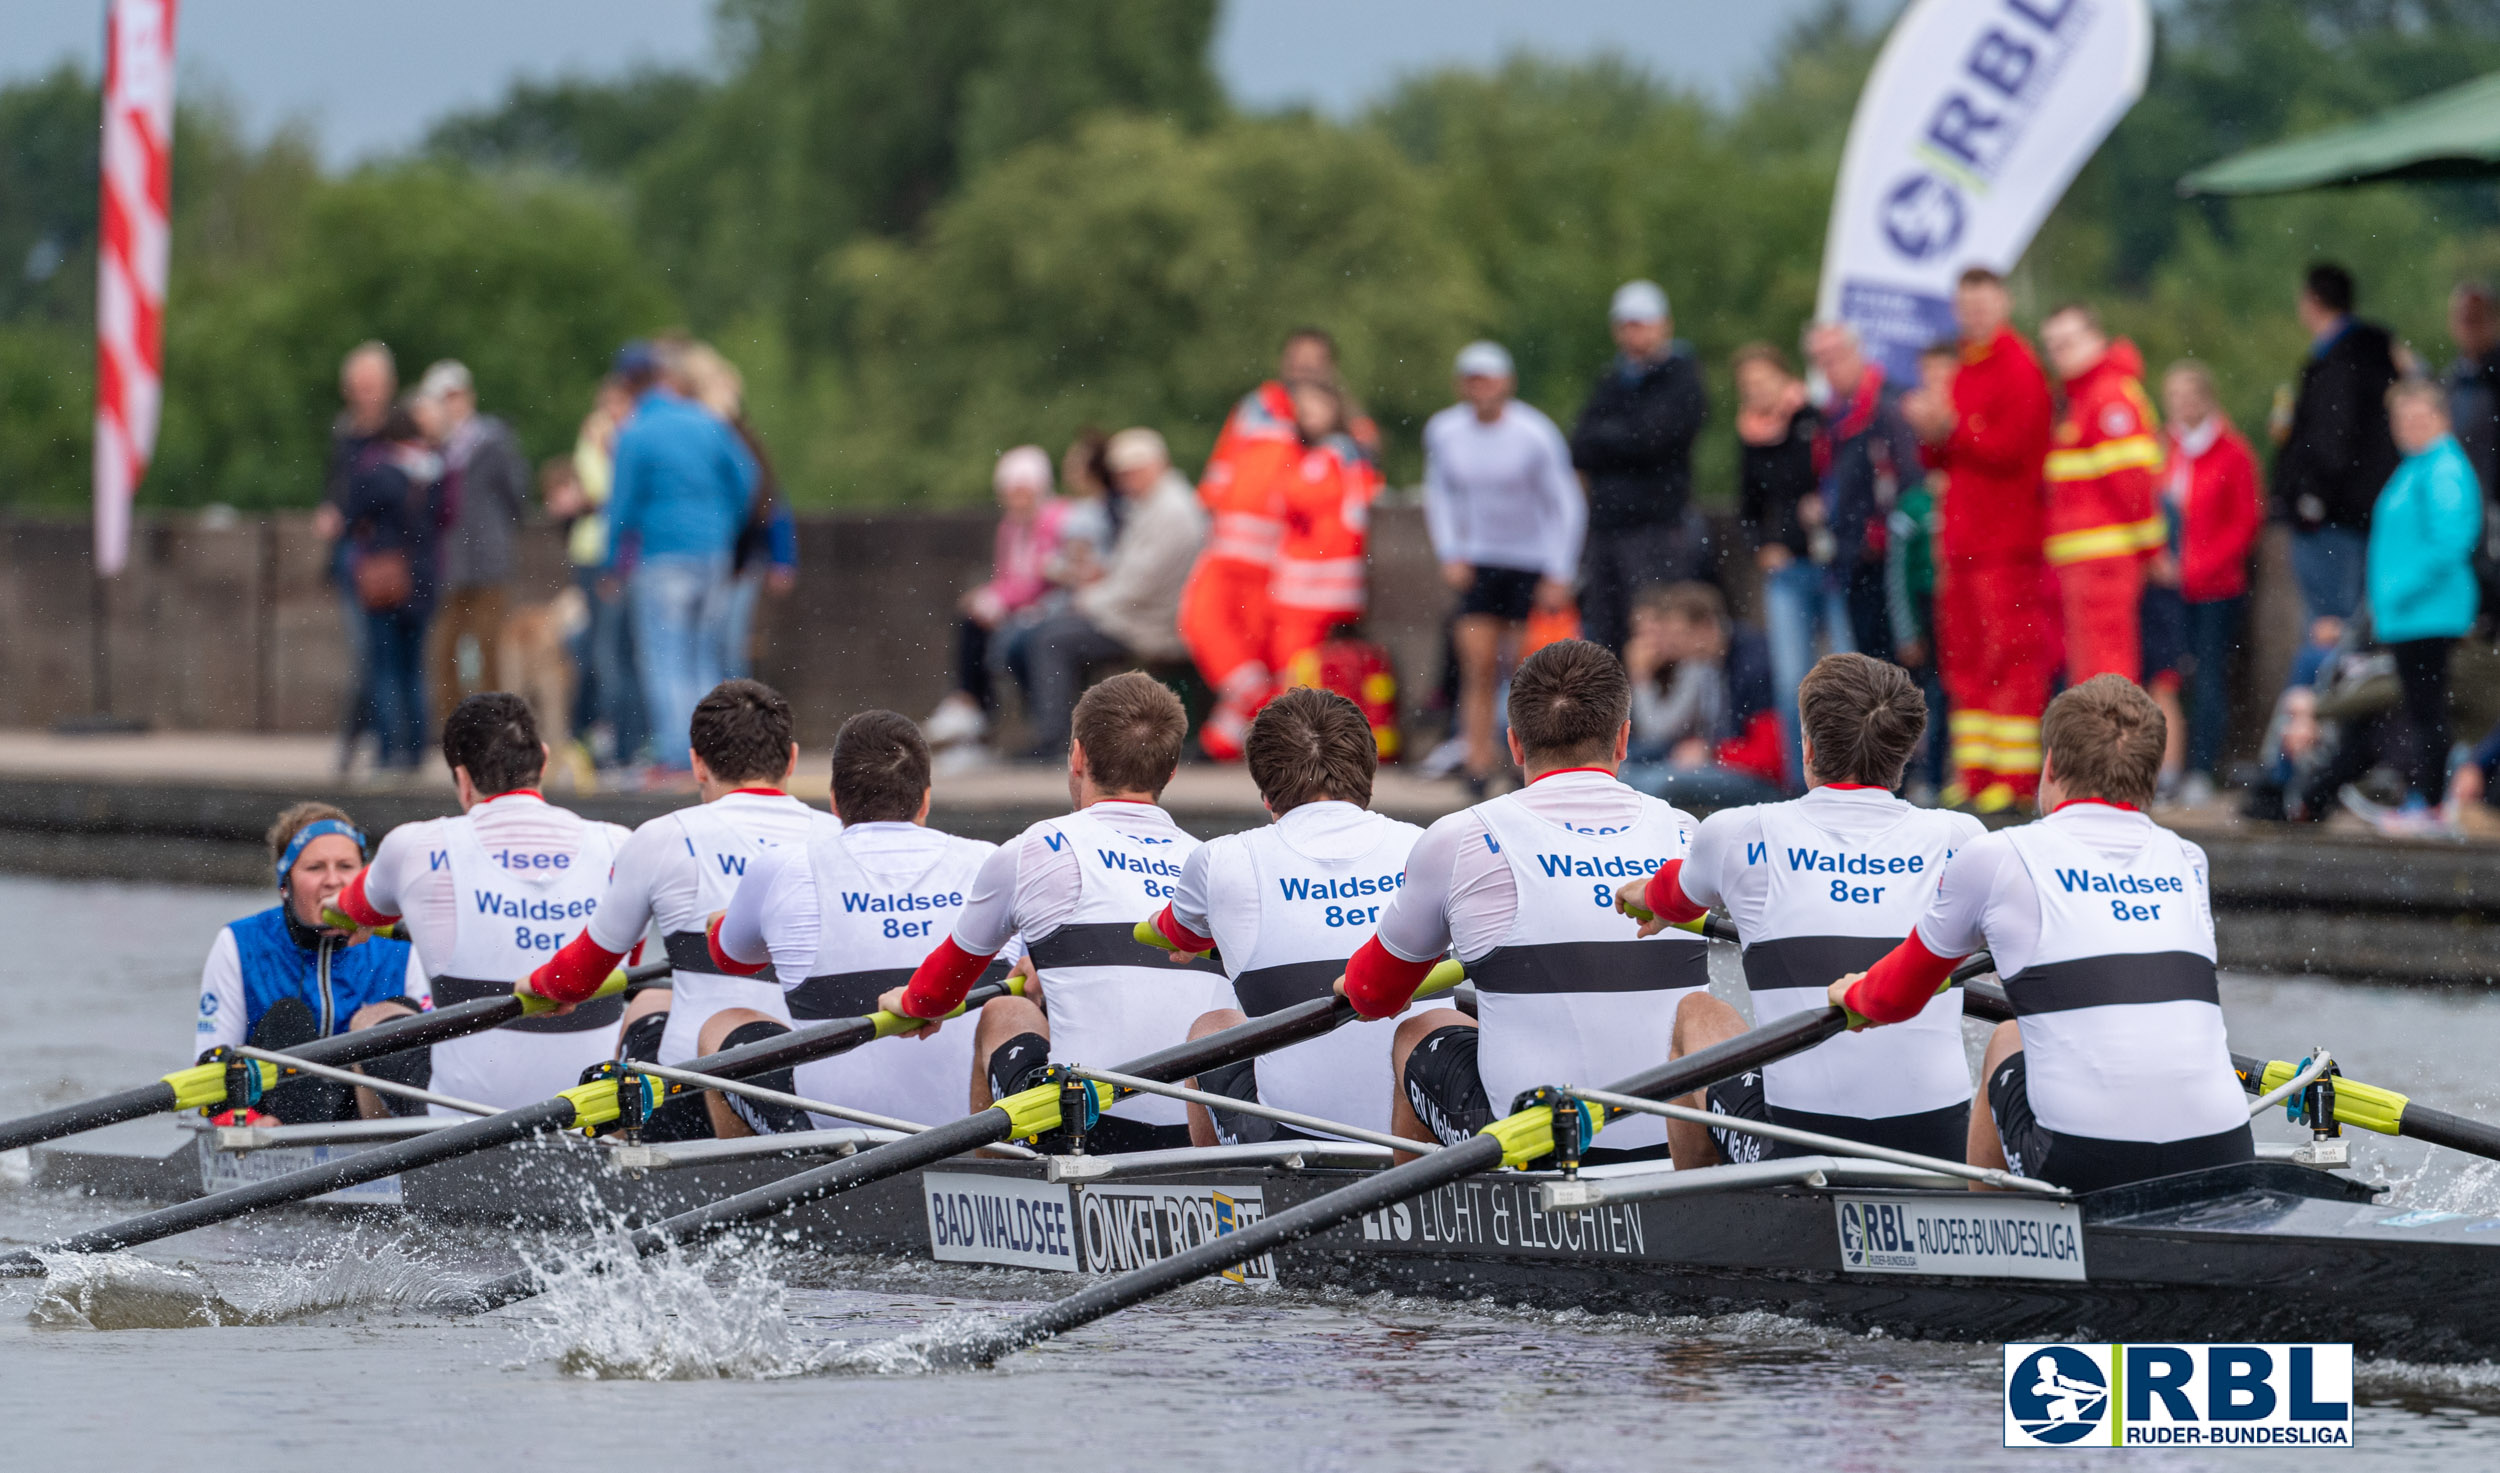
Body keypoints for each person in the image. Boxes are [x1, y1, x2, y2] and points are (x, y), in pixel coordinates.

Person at [1829, 674, 2254, 1194]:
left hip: (2089, 1162)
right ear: (2150, 775)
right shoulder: (2189, 860)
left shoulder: (1997, 855)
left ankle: (1984, 1243)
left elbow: (1891, 1000)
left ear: (2050, 765)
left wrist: (1850, 992)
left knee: (2007, 1038)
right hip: (2225, 1151)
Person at [1337, 639, 1705, 1159]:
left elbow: (1375, 996)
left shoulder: (1460, 835)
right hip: (1670, 1144)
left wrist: (1354, 983)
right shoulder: (1686, 832)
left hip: (1533, 1147)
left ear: (1513, 745)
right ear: (1623, 740)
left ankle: (1420, 1229)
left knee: (1417, 1027)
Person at [1612, 654, 1982, 1168]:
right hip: (1937, 1146)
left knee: (1696, 1014)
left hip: (1800, 1149)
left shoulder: (1738, 832)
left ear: (1807, 747)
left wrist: (1645, 899)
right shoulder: (1964, 838)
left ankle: (1699, 1223)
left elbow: (1672, 895)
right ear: (1904, 754)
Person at [884, 673, 1228, 1152]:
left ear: (1078, 756)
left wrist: (909, 1005)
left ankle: (991, 1192)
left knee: (1004, 1010)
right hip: (1193, 1132)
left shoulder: (1037, 848)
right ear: (1170, 771)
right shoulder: (1212, 862)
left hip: (1086, 1130)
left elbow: (936, 995)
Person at [1146, 687, 1449, 1147]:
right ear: (1368, 777)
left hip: (1295, 1140)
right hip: (1425, 1138)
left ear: (1266, 793)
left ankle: (1219, 1198)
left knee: (1210, 1030)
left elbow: (1176, 935)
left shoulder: (1221, 859)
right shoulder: (1428, 844)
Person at [521, 680, 836, 1112]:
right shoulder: (838, 838)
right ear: (793, 759)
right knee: (653, 995)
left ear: (698, 764)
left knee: (645, 1004)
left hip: (689, 1093)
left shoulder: (662, 837)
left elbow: (580, 977)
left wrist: (539, 986)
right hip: (817, 1088)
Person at [701, 711, 1007, 1139]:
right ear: (925, 800)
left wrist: (720, 922)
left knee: (723, 1024)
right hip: (970, 1127)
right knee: (1016, 1009)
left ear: (834, 802)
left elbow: (732, 959)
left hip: (834, 1133)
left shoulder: (783, 867)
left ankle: (764, 1186)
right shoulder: (991, 861)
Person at [332, 693, 634, 1111]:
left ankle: (390, 1168)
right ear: (543, 761)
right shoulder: (620, 843)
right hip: (595, 1105)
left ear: (462, 778)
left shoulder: (414, 844)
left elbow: (351, 910)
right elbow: (629, 954)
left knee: (371, 1021)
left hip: (463, 1114)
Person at [1906, 267, 2056, 812]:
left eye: (1983, 304)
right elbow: (1946, 456)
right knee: (1964, 659)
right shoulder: (1966, 368)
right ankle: (1974, 772)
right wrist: (1933, 432)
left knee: (2009, 653)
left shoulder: (2019, 368)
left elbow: (2013, 449)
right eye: (1965, 305)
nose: (1973, 315)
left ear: (2004, 303)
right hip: (1964, 541)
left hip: (2006, 541)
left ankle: (2013, 780)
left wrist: (1952, 427)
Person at [195, 803, 430, 1124]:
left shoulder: (401, 948)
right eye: (315, 867)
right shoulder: (239, 943)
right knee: (287, 1018)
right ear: (285, 885)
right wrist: (246, 1122)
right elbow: (209, 1068)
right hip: (276, 1121)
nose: (333, 880)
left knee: (392, 1015)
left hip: (367, 1119)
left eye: (346, 866)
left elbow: (439, 1063)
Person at [1421, 341, 1586, 791]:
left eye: (1488, 378)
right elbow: (1440, 493)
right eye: (1473, 379)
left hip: (1528, 561)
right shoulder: (1445, 431)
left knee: (1524, 670)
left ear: (1506, 382)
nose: (1481, 388)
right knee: (1476, 666)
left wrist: (1559, 569)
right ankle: (1476, 759)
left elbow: (1564, 502)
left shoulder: (1534, 433)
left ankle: (1524, 759)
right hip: (1479, 559)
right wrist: (1450, 551)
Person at [606, 341, 760, 771]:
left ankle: (677, 754)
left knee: (664, 657)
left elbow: (620, 507)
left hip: (661, 554)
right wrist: (722, 524)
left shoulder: (634, 432)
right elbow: (747, 478)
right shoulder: (706, 422)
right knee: (705, 655)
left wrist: (610, 561)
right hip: (712, 553)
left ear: (628, 384)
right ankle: (715, 752)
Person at [1180, 331, 1334, 760]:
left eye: (1313, 360)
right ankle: (1261, 714)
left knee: (1261, 650)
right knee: (1200, 622)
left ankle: (1228, 742)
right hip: (1226, 549)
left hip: (1278, 563)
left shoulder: (1333, 418)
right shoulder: (1255, 406)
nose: (1303, 367)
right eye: (1296, 358)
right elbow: (1222, 469)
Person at [1010, 429, 1204, 758]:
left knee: (1049, 641)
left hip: (1151, 625)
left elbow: (1139, 586)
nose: (1126, 481)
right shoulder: (1155, 504)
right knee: (1042, 635)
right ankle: (1061, 737)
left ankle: (1055, 740)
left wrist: (1088, 601)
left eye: (1132, 472)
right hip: (1137, 614)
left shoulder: (1172, 512)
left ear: (1154, 466)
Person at [2360, 379, 2483, 822]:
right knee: (2418, 710)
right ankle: (2424, 796)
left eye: (2420, 418)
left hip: (2430, 612)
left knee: (2427, 712)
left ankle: (2429, 801)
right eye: (2402, 419)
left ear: (2441, 418)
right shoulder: (2417, 465)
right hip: (2409, 614)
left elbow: (2452, 540)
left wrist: (2396, 590)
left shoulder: (2443, 467)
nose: (2409, 427)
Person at [1570, 280, 1712, 654]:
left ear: (1663, 324)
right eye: (1627, 325)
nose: (1634, 334)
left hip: (1656, 526)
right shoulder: (1612, 380)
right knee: (1605, 633)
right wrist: (1628, 440)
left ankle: (1656, 714)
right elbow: (1581, 445)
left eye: (1642, 324)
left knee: (1657, 634)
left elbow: (1654, 439)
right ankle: (1614, 712)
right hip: (1607, 527)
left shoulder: (1682, 377)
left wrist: (1615, 440)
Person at [2039, 304, 2166, 685]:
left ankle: (2113, 746)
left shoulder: (2108, 395)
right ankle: (2100, 744)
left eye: (2069, 342)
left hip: (2104, 560)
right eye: (2053, 346)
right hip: (2085, 561)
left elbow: (2134, 484)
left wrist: (2151, 550)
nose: (2060, 354)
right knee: (2091, 671)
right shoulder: (2080, 397)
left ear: (2096, 340)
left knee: (2105, 672)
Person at [2157, 361, 2264, 804]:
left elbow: (2244, 523)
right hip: (2169, 584)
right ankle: (2166, 768)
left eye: (2188, 394)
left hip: (2215, 586)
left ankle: (2202, 768)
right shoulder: (2166, 447)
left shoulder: (2233, 452)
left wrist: (2196, 568)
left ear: (2205, 397)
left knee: (2210, 677)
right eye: (2174, 395)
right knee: (2167, 678)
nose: (2181, 404)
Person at [2273, 262, 2401, 625]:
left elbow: (2333, 439)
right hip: (2359, 512)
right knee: (2351, 624)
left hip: (2333, 520)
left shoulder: (2340, 364)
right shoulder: (2369, 355)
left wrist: (2308, 497)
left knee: (2331, 628)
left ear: (2312, 301)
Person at [1806, 322, 1923, 709]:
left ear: (1858, 353)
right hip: (1850, 556)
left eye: (1835, 357)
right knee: (1868, 669)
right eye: (1821, 360)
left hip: (1886, 557)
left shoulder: (1886, 405)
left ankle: (1904, 758)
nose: (1829, 368)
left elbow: (1905, 478)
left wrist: (1880, 529)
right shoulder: (1833, 416)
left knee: (1897, 668)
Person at [411, 360, 532, 733]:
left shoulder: (491, 442)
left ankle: (495, 733)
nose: (451, 404)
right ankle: (455, 733)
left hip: (487, 560)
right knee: (444, 653)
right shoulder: (432, 450)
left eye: (455, 395)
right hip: (448, 563)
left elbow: (517, 497)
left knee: (490, 648)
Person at [927, 446, 1065, 757]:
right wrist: (990, 598)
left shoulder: (1055, 520)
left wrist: (998, 600)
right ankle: (971, 705)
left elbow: (1042, 576)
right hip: (1022, 609)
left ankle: (975, 706)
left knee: (1006, 637)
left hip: (1047, 609)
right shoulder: (1010, 527)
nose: (1015, 500)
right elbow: (1007, 576)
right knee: (972, 621)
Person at [673, 342, 798, 683]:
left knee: (724, 646)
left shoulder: (736, 437)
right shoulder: (710, 434)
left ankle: (737, 721)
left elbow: (770, 497)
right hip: (723, 553)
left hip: (740, 556)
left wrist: (783, 556)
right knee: (709, 647)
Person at [1737, 340, 1828, 785]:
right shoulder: (1751, 434)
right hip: (1786, 569)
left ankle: (1857, 772)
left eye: (1762, 380)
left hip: (1830, 562)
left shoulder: (1815, 419)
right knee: (1793, 677)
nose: (1756, 390)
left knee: (1848, 669)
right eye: (1748, 384)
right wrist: (1763, 544)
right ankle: (1800, 780)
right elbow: (1749, 504)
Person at [548, 371, 648, 771]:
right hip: (590, 553)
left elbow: (620, 496)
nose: (610, 412)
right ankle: (597, 737)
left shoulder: (629, 437)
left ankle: (624, 742)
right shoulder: (594, 434)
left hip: (618, 556)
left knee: (615, 653)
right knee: (593, 650)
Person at [340, 404, 446, 773]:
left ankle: (388, 752)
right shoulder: (435, 471)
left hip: (386, 576)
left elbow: (352, 517)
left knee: (385, 669)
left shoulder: (377, 472)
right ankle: (416, 752)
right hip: (424, 578)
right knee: (415, 670)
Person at [1617, 582, 1786, 809]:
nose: (1673, 645)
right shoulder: (1708, 662)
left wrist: (1712, 753)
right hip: (1719, 762)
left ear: (1706, 625)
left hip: (1760, 782)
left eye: (1679, 634)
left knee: (1654, 785)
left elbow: (1769, 758)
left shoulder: (1755, 664)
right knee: (1625, 772)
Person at [1268, 381, 1384, 681]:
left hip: (1315, 586)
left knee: (1295, 673)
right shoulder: (1348, 453)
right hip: (1326, 583)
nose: (1304, 414)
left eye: (1312, 406)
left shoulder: (1332, 455)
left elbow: (1298, 496)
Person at [317, 343, 398, 773]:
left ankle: (378, 742)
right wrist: (332, 511)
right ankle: (361, 740)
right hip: (354, 558)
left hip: (387, 558)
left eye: (372, 385)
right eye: (359, 386)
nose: (365, 394)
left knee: (381, 656)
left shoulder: (395, 431)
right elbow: (336, 487)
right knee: (366, 652)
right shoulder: (343, 431)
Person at [1886, 343, 1957, 800]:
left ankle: (1954, 775)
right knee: (1927, 694)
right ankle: (1926, 778)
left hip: (1965, 594)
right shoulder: (1915, 505)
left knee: (1959, 690)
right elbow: (1898, 572)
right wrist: (1907, 630)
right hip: (1932, 601)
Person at [2443, 281, 2500, 495]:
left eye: (2475, 319)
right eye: (2463, 319)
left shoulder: (2489, 377)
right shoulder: (2454, 378)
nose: (2468, 326)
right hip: (2466, 499)